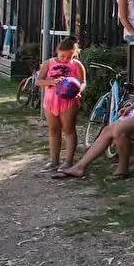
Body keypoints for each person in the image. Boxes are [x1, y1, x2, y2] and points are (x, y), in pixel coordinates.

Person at [54, 25, 134, 180]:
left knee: (118, 131)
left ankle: (122, 170)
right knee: (107, 130)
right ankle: (79, 167)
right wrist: (132, 106)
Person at [35, 36, 86, 171]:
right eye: (63, 56)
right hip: (51, 101)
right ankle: (53, 160)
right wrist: (52, 82)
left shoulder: (76, 65)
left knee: (69, 129)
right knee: (53, 129)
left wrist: (78, 89)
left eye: (69, 57)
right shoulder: (48, 63)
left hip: (68, 102)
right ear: (58, 51)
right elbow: (38, 81)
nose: (65, 59)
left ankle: (68, 161)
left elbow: (83, 82)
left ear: (74, 54)